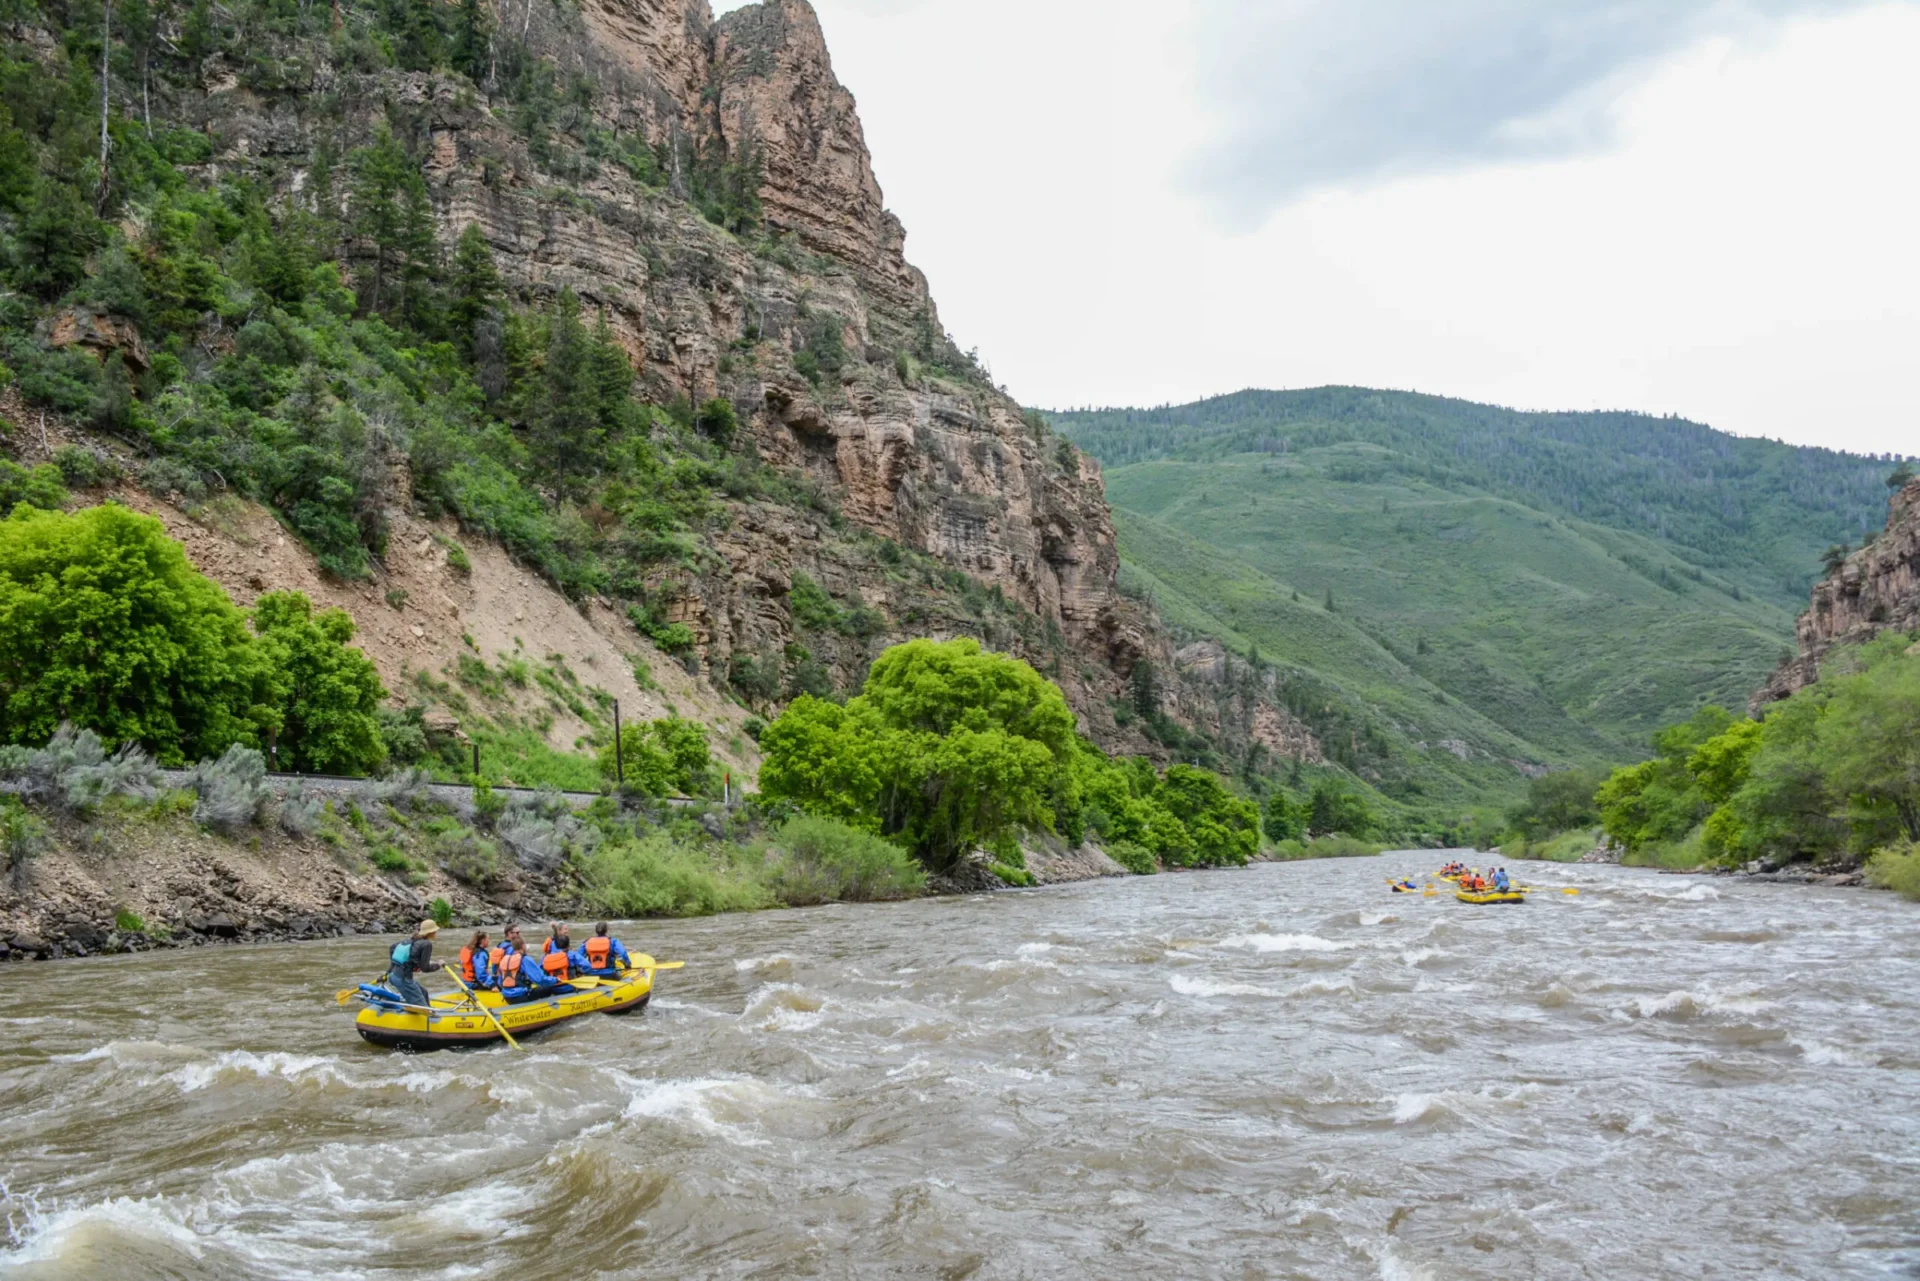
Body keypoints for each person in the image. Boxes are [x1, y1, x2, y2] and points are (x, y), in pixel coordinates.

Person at [386, 919, 438, 1008]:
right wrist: (438, 965)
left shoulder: (411, 940)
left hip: (394, 976)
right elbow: (425, 968)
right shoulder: (426, 944)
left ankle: (430, 1011)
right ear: (432, 932)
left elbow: (392, 948)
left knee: (424, 992)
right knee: (422, 1008)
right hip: (404, 980)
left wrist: (391, 969)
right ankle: (428, 1016)